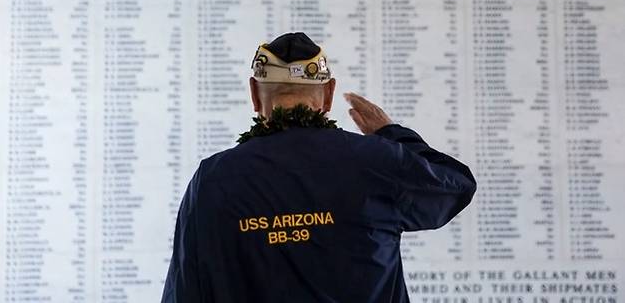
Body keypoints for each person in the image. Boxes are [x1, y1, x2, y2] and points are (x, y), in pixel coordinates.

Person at [161, 32, 476, 302]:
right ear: (328, 94)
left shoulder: (214, 179)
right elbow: (456, 186)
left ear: (255, 95)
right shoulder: (374, 162)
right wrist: (390, 134)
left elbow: (187, 289)